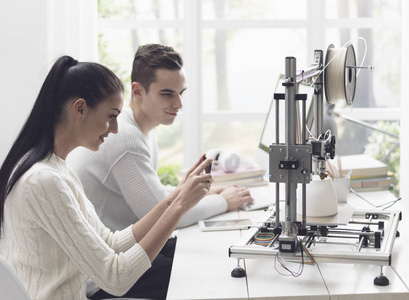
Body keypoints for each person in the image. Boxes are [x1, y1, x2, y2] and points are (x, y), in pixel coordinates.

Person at [0, 55, 213, 300]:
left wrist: (178, 194)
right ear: (79, 109)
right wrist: (179, 206)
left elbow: (110, 241)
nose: (115, 129)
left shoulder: (58, 169)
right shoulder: (43, 181)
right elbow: (116, 279)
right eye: (111, 116)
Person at [68, 44, 253, 234]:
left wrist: (200, 193)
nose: (179, 104)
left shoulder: (143, 130)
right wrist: (224, 201)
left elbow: (155, 196)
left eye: (181, 93)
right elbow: (165, 216)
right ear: (138, 91)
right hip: (117, 255)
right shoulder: (125, 137)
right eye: (167, 94)